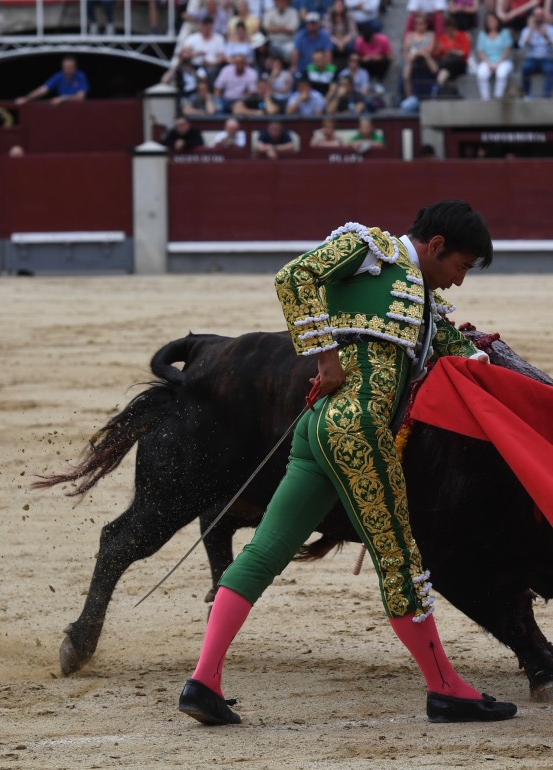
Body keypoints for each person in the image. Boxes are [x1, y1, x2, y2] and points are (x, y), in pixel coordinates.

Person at [177, 200, 517, 727]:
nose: (459, 281)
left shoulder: (425, 309)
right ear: (436, 246)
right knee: (400, 557)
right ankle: (445, 689)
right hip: (356, 430)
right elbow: (294, 278)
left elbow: (466, 360)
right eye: (461, 267)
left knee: (266, 550)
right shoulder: (368, 248)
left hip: (318, 429)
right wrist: (326, 356)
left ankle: (204, 681)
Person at [518, 6, 553, 99]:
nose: (538, 18)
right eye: (536, 15)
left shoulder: (552, 30)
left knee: (550, 70)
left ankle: (546, 96)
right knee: (525, 68)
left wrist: (545, 35)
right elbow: (522, 47)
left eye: (540, 15)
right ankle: (527, 94)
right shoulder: (526, 30)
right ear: (533, 17)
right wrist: (531, 33)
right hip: (531, 58)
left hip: (547, 58)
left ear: (544, 17)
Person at [16, 56, 89, 105]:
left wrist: (63, 98)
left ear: (75, 67)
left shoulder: (80, 76)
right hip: (63, 111)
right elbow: (43, 89)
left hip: (79, 111)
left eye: (70, 67)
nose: (67, 69)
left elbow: (81, 97)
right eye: (65, 67)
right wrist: (26, 98)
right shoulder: (58, 76)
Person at [475, 12, 514, 100]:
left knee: (501, 74)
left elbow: (508, 50)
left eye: (493, 21)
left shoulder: (505, 33)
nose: (491, 23)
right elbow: (481, 52)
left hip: (504, 60)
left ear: (498, 21)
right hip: (488, 61)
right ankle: (485, 99)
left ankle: (498, 97)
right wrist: (488, 63)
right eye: (489, 21)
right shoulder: (482, 34)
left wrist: (498, 63)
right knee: (481, 73)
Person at [432, 14, 471, 94]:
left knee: (443, 68)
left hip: (459, 64)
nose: (449, 32)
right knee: (442, 76)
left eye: (451, 29)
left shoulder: (462, 36)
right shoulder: (441, 38)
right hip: (446, 64)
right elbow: (436, 54)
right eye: (447, 30)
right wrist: (440, 50)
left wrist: (454, 51)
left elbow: (465, 53)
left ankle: (435, 91)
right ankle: (441, 93)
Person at [181, 16, 228, 81]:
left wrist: (211, 63)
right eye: (205, 26)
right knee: (186, 69)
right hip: (195, 65)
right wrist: (195, 54)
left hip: (212, 66)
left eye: (209, 27)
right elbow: (184, 54)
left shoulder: (219, 38)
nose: (206, 29)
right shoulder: (192, 38)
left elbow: (221, 58)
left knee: (212, 71)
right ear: (201, 26)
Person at [402, 12, 437, 99]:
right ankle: (409, 96)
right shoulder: (409, 36)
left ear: (426, 24)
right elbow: (406, 51)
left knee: (432, 65)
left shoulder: (430, 35)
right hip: (412, 59)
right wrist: (413, 55)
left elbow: (429, 49)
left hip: (425, 58)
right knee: (407, 69)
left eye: (421, 24)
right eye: (417, 24)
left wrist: (418, 51)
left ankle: (433, 94)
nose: (419, 26)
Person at [292, 11, 335, 75]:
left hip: (320, 70)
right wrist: (294, 67)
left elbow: (328, 54)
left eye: (314, 23)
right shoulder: (300, 35)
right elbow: (296, 52)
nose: (312, 25)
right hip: (303, 70)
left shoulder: (325, 35)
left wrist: (327, 72)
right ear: (306, 24)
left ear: (318, 24)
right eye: (310, 23)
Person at [325, 0, 359, 67]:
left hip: (345, 40)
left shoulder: (349, 16)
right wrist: (338, 42)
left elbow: (353, 32)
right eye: (337, 5)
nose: (338, 7)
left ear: (344, 6)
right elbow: (327, 33)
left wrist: (343, 42)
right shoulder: (328, 16)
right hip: (333, 40)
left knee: (352, 46)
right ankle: (330, 67)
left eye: (340, 5)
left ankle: (351, 66)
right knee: (328, 46)